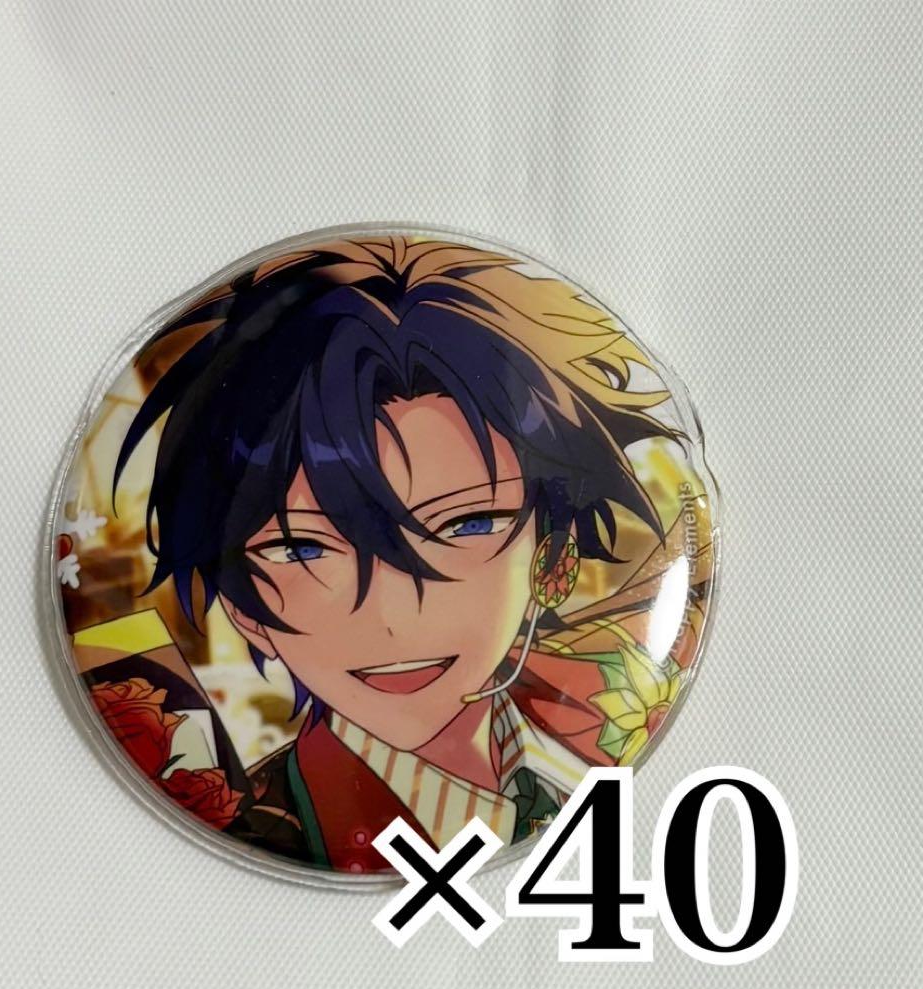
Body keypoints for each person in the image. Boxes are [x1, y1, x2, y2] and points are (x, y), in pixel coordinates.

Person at [96, 236, 711, 872]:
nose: (392, 618)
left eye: (466, 524)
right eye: (302, 547)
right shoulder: (266, 823)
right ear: (243, 607)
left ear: (553, 557)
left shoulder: (594, 732)